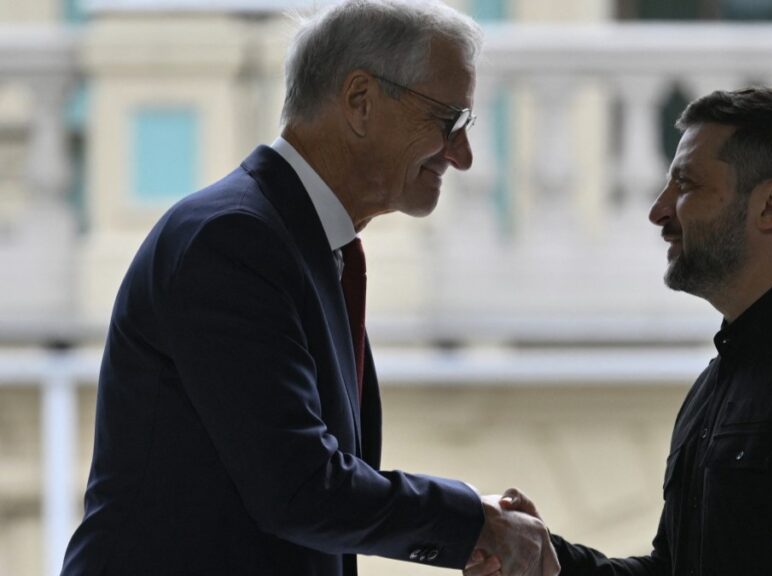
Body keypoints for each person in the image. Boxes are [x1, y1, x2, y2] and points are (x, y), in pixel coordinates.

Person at [61, 2, 559, 576]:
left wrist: (471, 520)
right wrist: (471, 523)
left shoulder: (303, 245)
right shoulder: (233, 241)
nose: (463, 156)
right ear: (360, 102)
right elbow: (298, 486)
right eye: (449, 122)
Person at [468, 87, 772, 575]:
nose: (659, 211)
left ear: (771, 206)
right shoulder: (719, 379)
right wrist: (546, 563)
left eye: (687, 186)